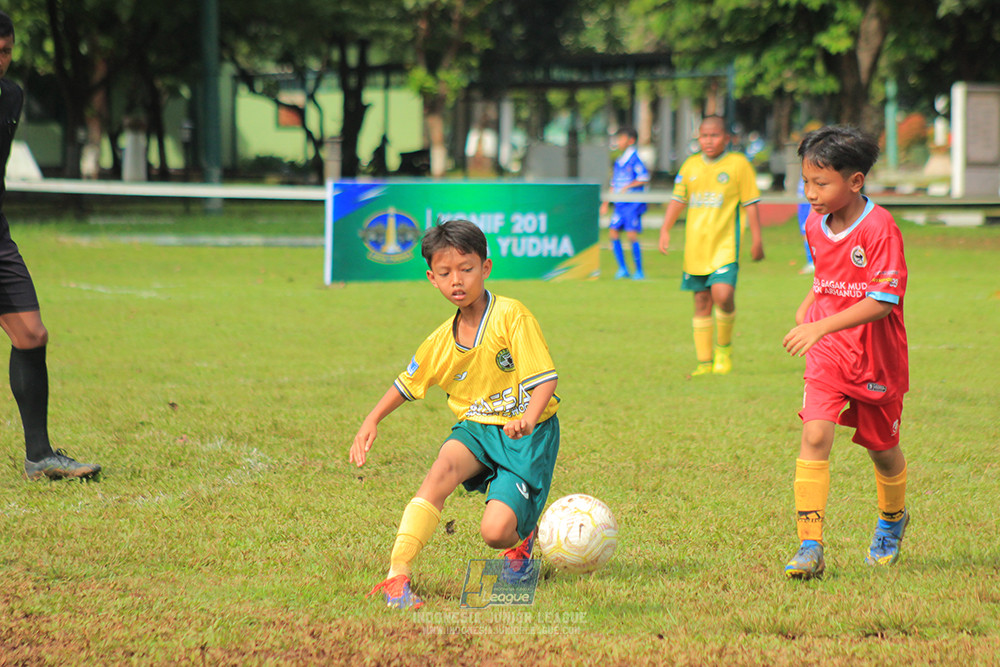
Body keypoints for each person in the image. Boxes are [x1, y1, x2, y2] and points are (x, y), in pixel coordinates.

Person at [349, 219, 560, 610]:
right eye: (445, 273)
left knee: (496, 533)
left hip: (527, 434)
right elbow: (406, 383)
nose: (457, 281)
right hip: (477, 429)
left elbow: (545, 380)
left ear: (486, 268)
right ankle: (398, 577)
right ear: (432, 278)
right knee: (441, 469)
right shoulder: (439, 341)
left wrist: (528, 418)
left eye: (466, 269)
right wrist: (371, 419)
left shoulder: (513, 316)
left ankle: (523, 540)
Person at [782, 126, 910, 580]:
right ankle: (809, 546)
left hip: (876, 357)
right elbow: (826, 275)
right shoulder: (814, 223)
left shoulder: (881, 229)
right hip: (830, 352)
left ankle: (892, 520)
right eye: (805, 183)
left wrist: (818, 324)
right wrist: (809, 302)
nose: (811, 194)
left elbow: (880, 302)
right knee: (815, 436)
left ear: (855, 182)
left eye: (821, 184)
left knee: (883, 450)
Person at [0, 12, 101, 481]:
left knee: (32, 335)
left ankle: (39, 457)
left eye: (5, 51)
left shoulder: (13, 97)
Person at [658, 115, 764, 376]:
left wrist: (757, 238)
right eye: (704, 136)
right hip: (696, 248)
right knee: (701, 301)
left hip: (725, 246)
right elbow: (678, 199)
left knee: (723, 296)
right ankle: (705, 362)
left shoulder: (739, 165)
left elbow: (750, 202)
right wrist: (665, 228)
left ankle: (724, 351)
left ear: (726, 138)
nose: (708, 140)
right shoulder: (690, 165)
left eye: (714, 135)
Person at [600, 127, 650, 280]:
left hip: (632, 204)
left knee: (631, 235)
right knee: (613, 232)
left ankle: (639, 270)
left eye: (622, 138)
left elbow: (644, 177)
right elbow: (614, 182)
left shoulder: (635, 159)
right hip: (620, 204)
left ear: (631, 140)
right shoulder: (619, 161)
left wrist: (628, 187)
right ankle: (623, 268)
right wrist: (606, 202)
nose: (619, 141)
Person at [796, 177, 815, 274]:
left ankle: (813, 262)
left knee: (810, 231)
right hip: (802, 203)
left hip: (808, 204)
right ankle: (810, 261)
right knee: (804, 232)